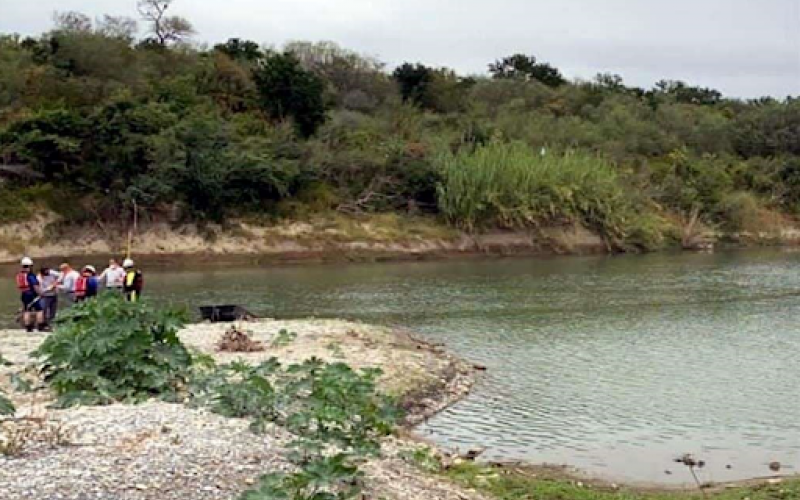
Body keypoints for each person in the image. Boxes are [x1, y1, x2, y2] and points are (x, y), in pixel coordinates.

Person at [15, 257, 46, 332]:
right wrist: (40, 293)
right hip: (31, 294)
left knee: (27, 310)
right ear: (29, 266)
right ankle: (40, 325)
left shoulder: (20, 275)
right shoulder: (30, 275)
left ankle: (28, 326)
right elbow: (35, 286)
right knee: (39, 310)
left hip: (24, 294)